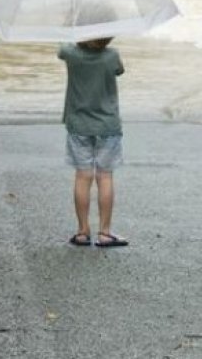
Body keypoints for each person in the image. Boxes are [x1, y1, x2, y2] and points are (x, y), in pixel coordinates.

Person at [58, 37, 128, 248]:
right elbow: (120, 71)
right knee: (105, 176)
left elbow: (61, 49)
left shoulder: (70, 53)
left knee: (83, 176)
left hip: (79, 125)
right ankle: (105, 233)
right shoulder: (111, 56)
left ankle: (82, 232)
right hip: (107, 126)